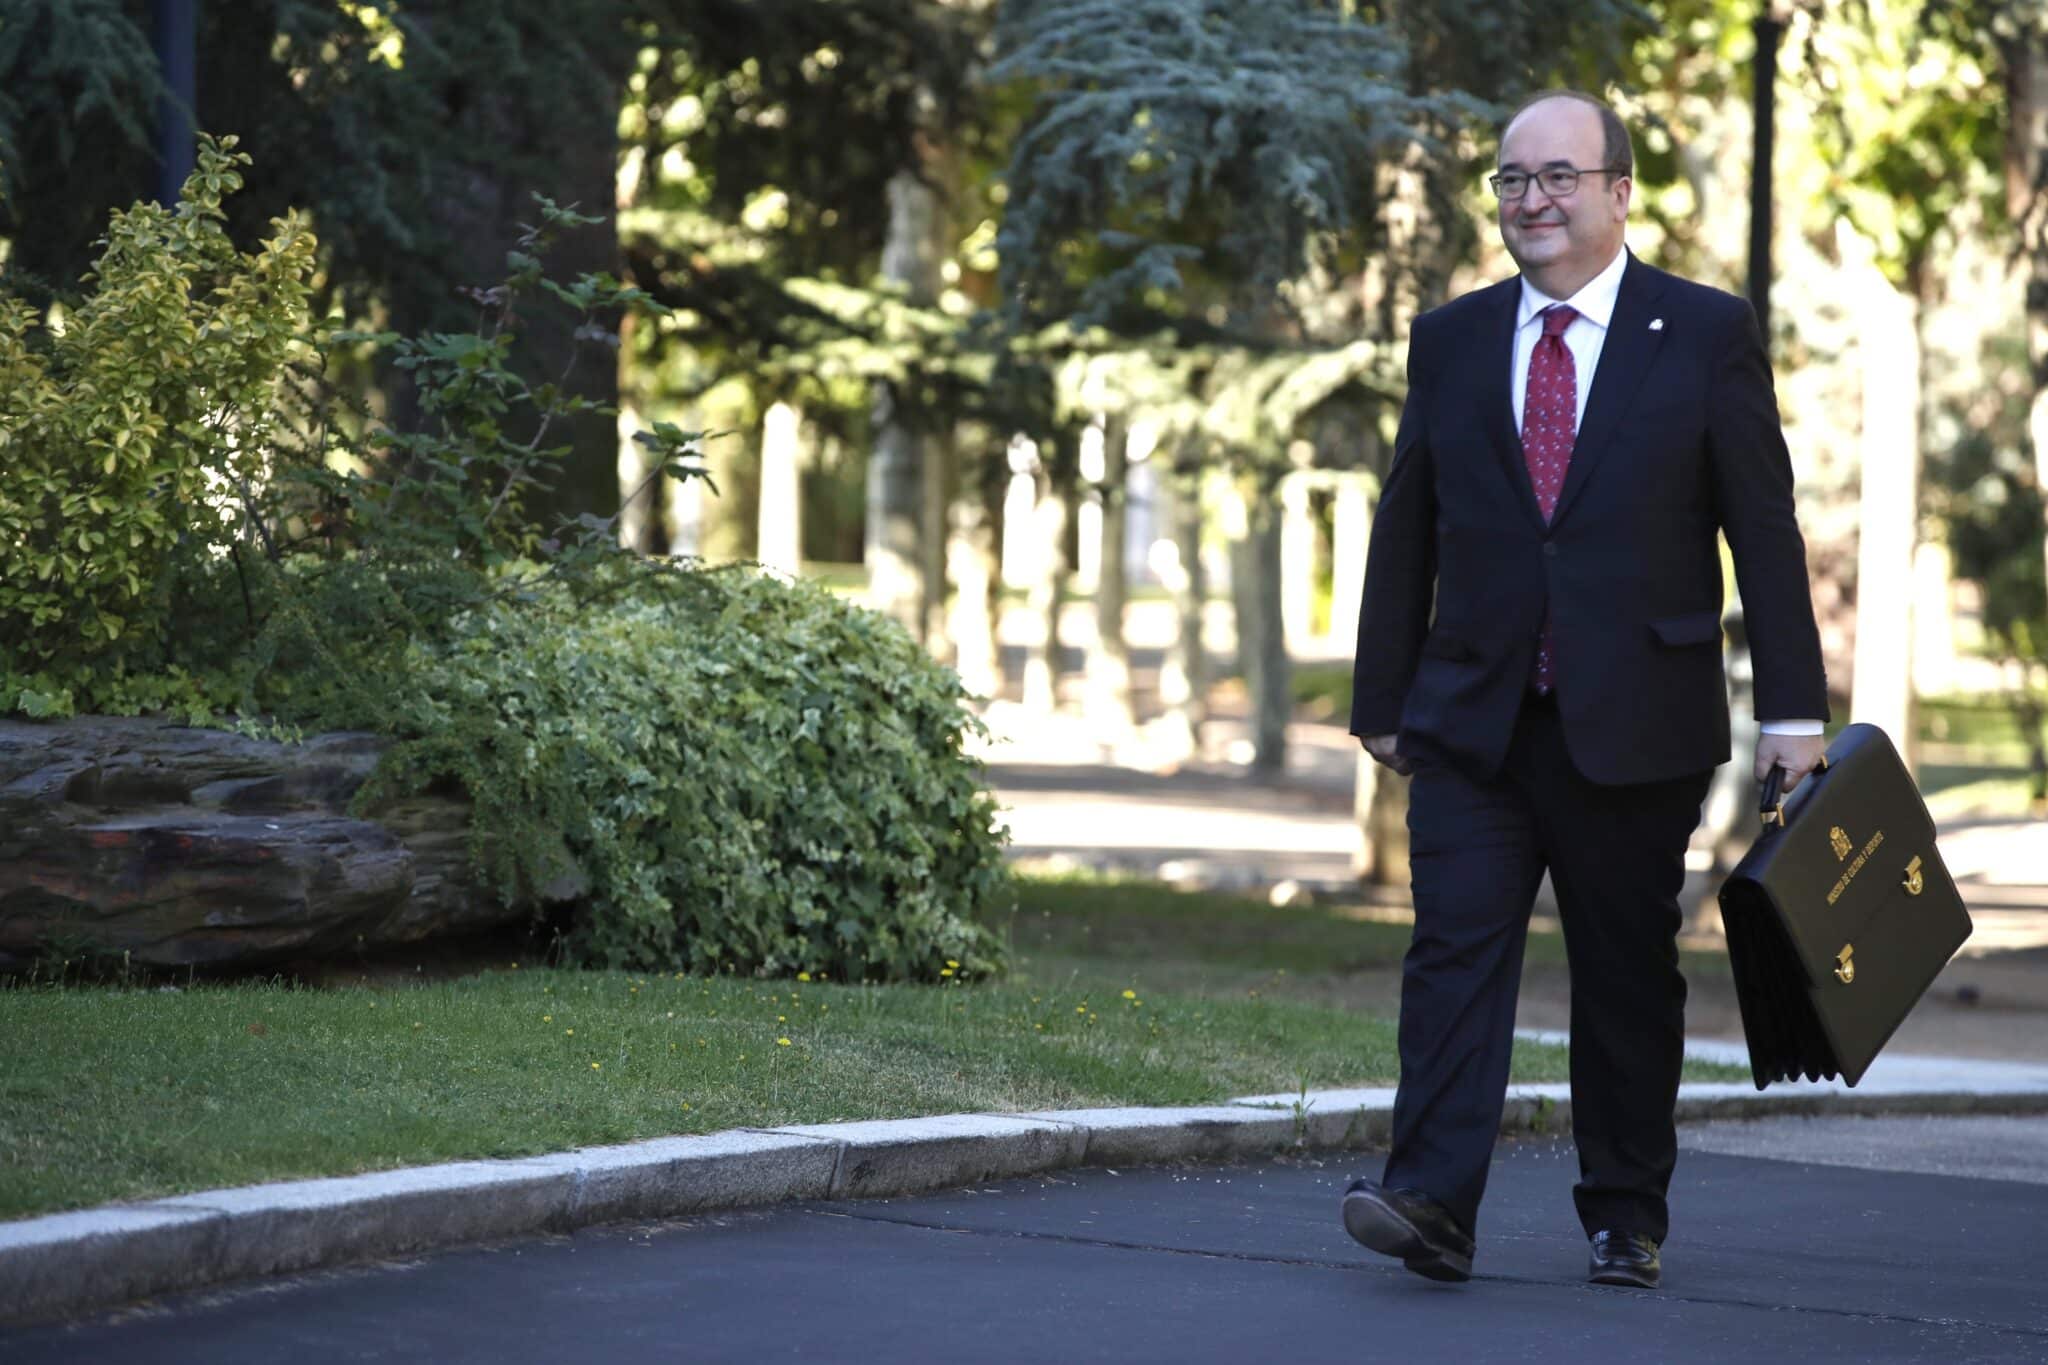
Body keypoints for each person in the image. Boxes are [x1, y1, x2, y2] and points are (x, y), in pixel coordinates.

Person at [1340, 89, 1830, 1289]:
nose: (1530, 200)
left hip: (1632, 722)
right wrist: (1379, 696)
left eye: (1556, 176)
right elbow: (1407, 522)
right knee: (1452, 955)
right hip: (1470, 720)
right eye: (1511, 181)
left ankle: (1624, 1210)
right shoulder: (1449, 339)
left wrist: (1793, 715)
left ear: (1617, 191)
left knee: (1621, 971)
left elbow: (1760, 534)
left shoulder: (1704, 332)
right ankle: (1430, 1202)